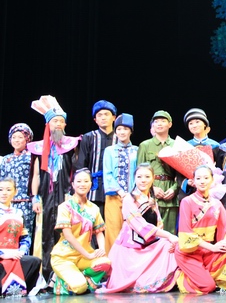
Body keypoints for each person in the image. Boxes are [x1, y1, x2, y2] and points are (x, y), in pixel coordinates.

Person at [100, 163, 178, 293]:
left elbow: (159, 224)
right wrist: (169, 235)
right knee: (169, 240)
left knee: (170, 246)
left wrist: (168, 239)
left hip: (148, 242)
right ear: (134, 178)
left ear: (153, 178)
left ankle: (158, 280)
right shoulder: (128, 199)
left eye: (147, 176)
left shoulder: (152, 200)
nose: (143, 180)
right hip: (130, 248)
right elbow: (141, 226)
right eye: (139, 177)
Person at [27, 95, 79, 280]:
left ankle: (65, 274)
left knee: (65, 231)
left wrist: (73, 195)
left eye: (61, 121)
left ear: (65, 125)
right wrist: (35, 197)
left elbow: (75, 172)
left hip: (65, 194)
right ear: (48, 124)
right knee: (45, 232)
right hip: (45, 195)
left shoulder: (72, 145)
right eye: (54, 121)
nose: (58, 124)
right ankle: (45, 274)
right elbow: (35, 175)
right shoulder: (38, 148)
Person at [174, 165, 226, 294]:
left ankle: (203, 276)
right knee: (208, 287)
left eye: (206, 178)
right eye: (198, 178)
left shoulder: (217, 204)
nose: (202, 181)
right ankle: (182, 277)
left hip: (206, 251)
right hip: (188, 252)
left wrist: (225, 242)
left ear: (212, 180)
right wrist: (212, 247)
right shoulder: (187, 202)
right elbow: (186, 234)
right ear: (193, 181)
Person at [50, 169, 111, 295]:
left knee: (106, 263)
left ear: (91, 184)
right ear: (73, 184)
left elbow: (99, 232)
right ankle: (60, 282)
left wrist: (102, 249)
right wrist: (88, 255)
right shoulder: (65, 207)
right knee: (80, 287)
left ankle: (80, 277)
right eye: (79, 181)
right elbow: (68, 236)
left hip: (83, 257)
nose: (82, 184)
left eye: (86, 181)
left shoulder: (94, 208)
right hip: (64, 257)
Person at [73, 100, 117, 217]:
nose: (103, 117)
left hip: (115, 189)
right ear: (95, 120)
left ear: (114, 117)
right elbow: (81, 165)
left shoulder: (119, 138)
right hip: (93, 189)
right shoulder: (89, 137)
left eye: (106, 114)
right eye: (99, 115)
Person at [137, 110, 177, 234]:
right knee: (150, 232)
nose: (159, 124)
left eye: (163, 121)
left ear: (170, 124)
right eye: (156, 121)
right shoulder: (145, 145)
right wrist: (152, 188)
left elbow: (182, 173)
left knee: (170, 233)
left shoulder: (176, 145)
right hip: (151, 195)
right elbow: (139, 172)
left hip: (170, 195)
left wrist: (174, 189)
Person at [102, 113, 137, 254]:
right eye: (119, 129)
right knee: (113, 229)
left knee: (132, 229)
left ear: (131, 131)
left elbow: (138, 173)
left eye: (125, 129)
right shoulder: (109, 151)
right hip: (114, 196)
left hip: (133, 197)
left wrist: (132, 193)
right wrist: (120, 192)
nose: (122, 132)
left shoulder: (137, 150)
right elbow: (107, 173)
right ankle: (111, 262)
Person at [0, 178, 42, 297]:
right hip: (2, 255)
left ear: (15, 192)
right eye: (1, 190)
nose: (4, 193)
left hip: (15, 253)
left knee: (34, 261)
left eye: (8, 190)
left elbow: (25, 236)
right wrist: (3, 254)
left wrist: (22, 251)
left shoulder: (18, 213)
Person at [0, 124, 35, 237]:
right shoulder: (6, 159)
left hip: (25, 201)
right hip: (7, 202)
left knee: (24, 233)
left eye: (20, 137)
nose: (16, 140)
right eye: (14, 137)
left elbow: (36, 177)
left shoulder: (32, 157)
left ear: (27, 139)